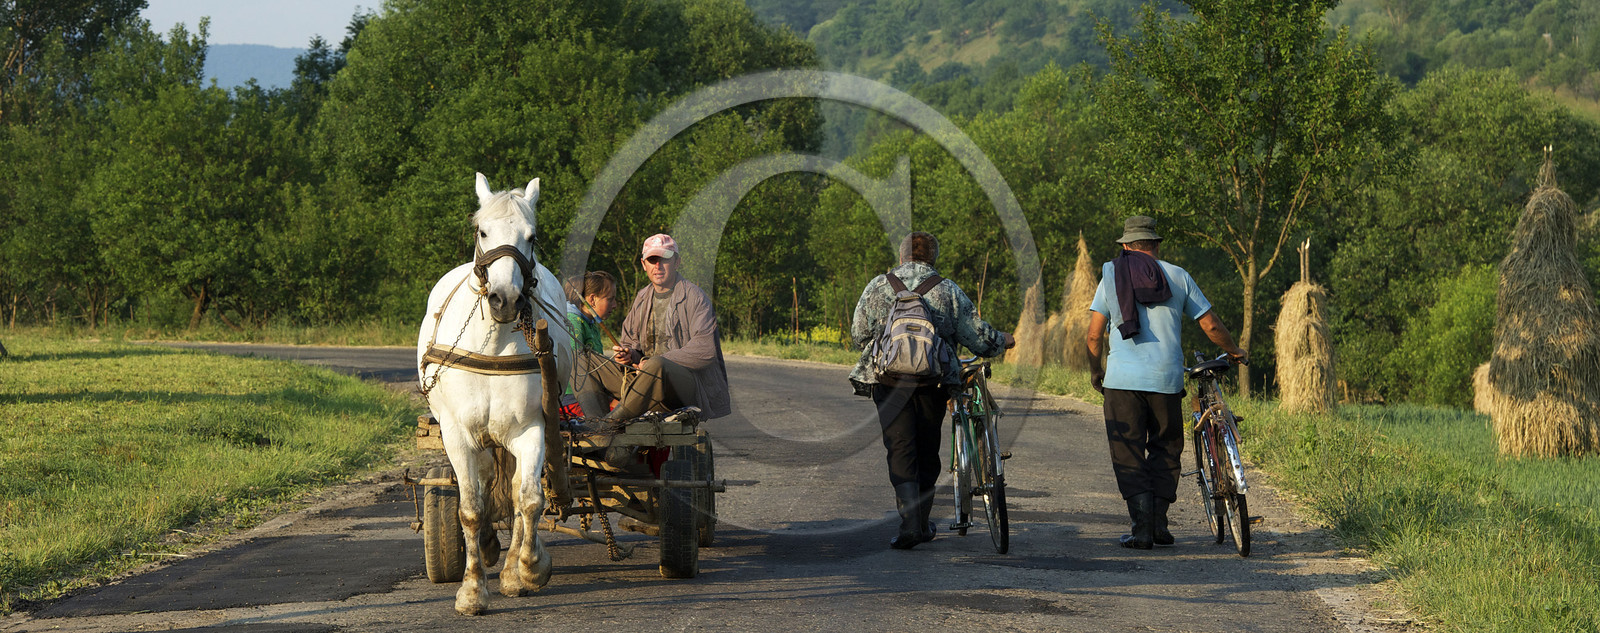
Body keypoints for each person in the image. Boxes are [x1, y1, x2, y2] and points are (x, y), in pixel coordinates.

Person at [1085, 215, 1247, 550]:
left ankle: (1141, 529)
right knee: (1166, 449)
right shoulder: (1178, 275)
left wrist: (1095, 372)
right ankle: (1158, 524)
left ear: (1127, 247)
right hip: (1167, 381)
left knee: (1128, 451)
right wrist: (1234, 351)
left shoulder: (1111, 276)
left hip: (1122, 382)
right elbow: (1211, 325)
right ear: (1156, 245)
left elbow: (1093, 336)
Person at [850, 231, 1014, 550]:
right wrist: (1001, 341)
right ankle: (922, 523)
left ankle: (911, 523)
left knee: (900, 449)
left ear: (901, 257)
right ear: (933, 258)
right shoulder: (947, 289)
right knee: (927, 449)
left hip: (888, 380)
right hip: (933, 381)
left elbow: (859, 335)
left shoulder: (878, 285)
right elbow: (977, 337)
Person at [573, 234, 730, 423]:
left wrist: (655, 361)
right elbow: (630, 344)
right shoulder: (641, 298)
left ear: (677, 262)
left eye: (664, 259)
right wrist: (629, 354)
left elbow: (706, 350)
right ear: (643, 264)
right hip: (642, 385)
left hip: (681, 390)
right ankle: (595, 424)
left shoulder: (695, 297)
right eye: (652, 260)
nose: (658, 266)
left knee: (658, 365)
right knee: (581, 360)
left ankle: (609, 425)